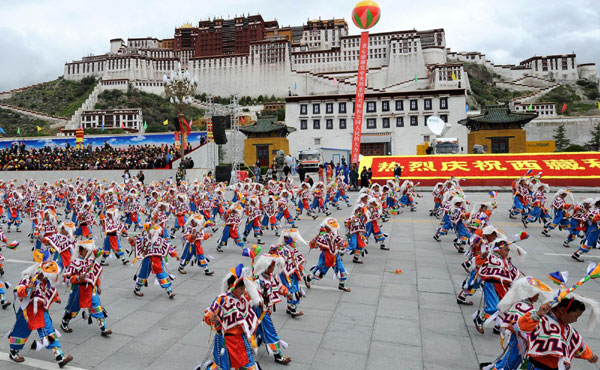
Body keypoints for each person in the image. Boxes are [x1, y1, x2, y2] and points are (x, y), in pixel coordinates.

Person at [8, 260, 74, 367]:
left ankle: (60, 357)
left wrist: (56, 298)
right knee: (21, 333)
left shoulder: (45, 281)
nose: (48, 278)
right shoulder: (28, 278)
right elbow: (18, 291)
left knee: (49, 332)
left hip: (41, 311)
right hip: (28, 312)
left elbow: (49, 292)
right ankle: (13, 352)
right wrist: (28, 287)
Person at [518, 296, 599, 369]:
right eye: (576, 316)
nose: (575, 320)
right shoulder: (543, 320)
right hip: (536, 366)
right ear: (562, 310)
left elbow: (577, 342)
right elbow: (522, 327)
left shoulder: (567, 328)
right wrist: (538, 315)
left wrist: (590, 355)